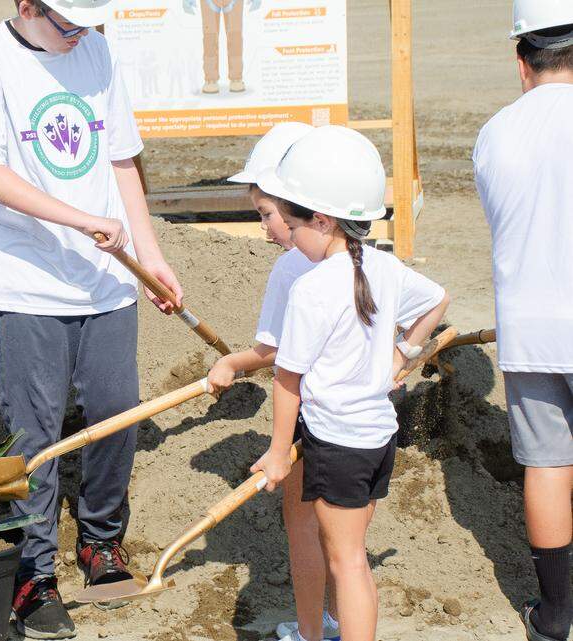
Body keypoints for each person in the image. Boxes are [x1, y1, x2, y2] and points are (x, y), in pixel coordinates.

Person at [0, 1, 185, 637]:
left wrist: (151, 255)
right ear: (27, 6)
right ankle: (32, 573)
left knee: (118, 408)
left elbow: (120, 163)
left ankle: (100, 541)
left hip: (110, 276)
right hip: (31, 278)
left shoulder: (96, 51)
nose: (80, 35)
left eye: (89, 24)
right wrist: (78, 220)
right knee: (34, 431)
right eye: (68, 24)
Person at [251, 125, 449, 641]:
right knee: (354, 557)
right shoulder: (384, 266)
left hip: (336, 443)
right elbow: (435, 301)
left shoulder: (313, 288)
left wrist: (277, 452)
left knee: (348, 565)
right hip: (379, 438)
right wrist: (400, 357)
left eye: (293, 228)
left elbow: (287, 378)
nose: (289, 239)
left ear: (322, 219)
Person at [206, 121, 342, 641]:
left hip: (311, 419)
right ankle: (343, 623)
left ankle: (311, 631)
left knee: (303, 526)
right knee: (346, 541)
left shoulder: (292, 269)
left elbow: (276, 353)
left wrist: (232, 364)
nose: (263, 227)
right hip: (361, 427)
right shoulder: (365, 260)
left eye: (266, 214)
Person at [474, 2, 573, 639]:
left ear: (522, 61)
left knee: (547, 465)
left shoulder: (496, 134)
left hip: (531, 325)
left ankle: (557, 615)